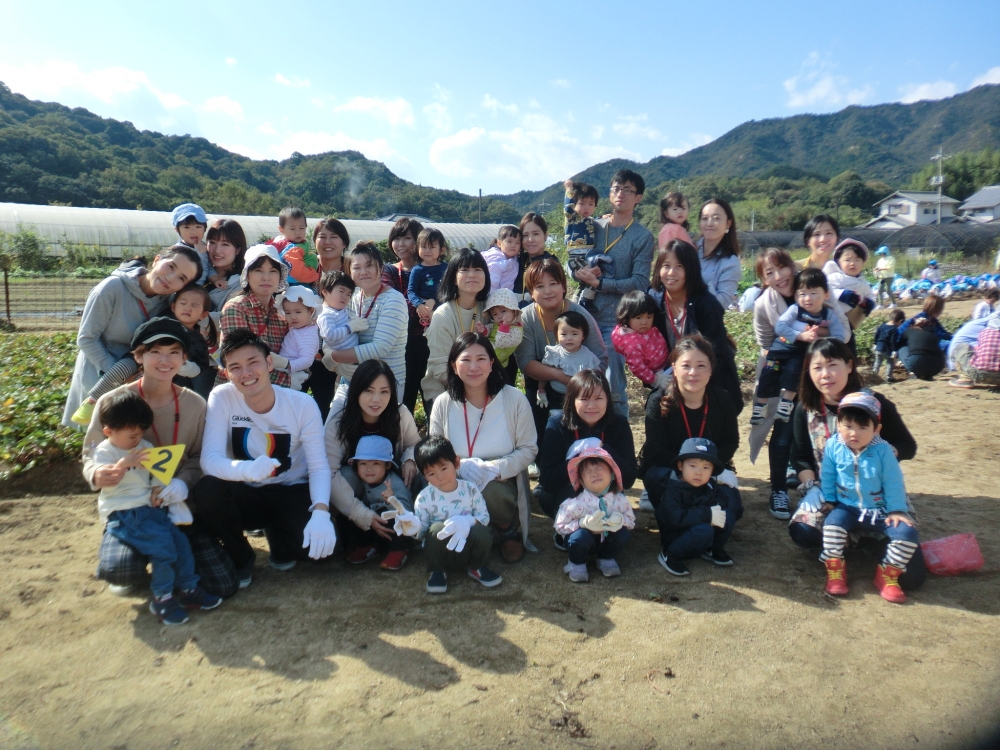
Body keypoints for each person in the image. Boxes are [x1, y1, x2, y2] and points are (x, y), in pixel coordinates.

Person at [83, 316, 238, 600]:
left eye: (173, 353)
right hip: (132, 508)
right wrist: (96, 472)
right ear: (138, 356)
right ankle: (130, 550)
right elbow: (91, 451)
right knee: (120, 572)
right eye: (155, 352)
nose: (164, 360)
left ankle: (172, 560)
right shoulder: (113, 402)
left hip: (179, 506)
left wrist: (180, 483)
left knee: (223, 585)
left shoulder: (195, 404)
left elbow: (202, 455)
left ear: (184, 359)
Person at [191, 329, 335, 589]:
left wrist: (321, 512)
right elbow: (209, 460)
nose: (246, 373)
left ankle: (280, 536)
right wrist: (246, 470)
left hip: (291, 488)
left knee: (322, 554)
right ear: (226, 373)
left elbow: (318, 466)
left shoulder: (301, 404)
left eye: (253, 362)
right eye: (235, 367)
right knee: (207, 489)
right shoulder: (221, 398)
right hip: (247, 492)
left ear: (269, 363)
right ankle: (241, 555)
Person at [788, 338, 925, 592]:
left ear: (849, 366)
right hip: (829, 491)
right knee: (803, 533)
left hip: (878, 496)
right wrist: (811, 488)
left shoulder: (874, 404)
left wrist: (881, 454)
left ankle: (870, 540)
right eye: (816, 368)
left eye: (832, 365)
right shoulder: (804, 408)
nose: (825, 374)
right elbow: (800, 456)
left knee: (912, 579)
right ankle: (846, 543)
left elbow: (908, 446)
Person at [92, 390, 222, 624]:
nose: (138, 439)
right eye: (132, 436)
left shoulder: (143, 445)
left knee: (180, 544)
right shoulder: (105, 450)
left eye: (141, 433)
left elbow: (155, 472)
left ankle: (188, 589)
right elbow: (108, 476)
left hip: (150, 509)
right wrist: (125, 462)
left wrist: (156, 489)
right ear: (109, 432)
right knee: (163, 550)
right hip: (126, 511)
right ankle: (162, 598)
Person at [64, 244, 203, 428]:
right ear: (157, 259)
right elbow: (87, 338)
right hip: (101, 372)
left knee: (130, 437)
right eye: (170, 266)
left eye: (181, 278)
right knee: (99, 438)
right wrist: (117, 375)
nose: (170, 278)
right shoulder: (112, 288)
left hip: (137, 378)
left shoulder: (168, 304)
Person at [428, 333, 538, 563]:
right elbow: (435, 451)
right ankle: (477, 532)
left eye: (481, 359)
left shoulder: (514, 399)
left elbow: (528, 449)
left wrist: (494, 469)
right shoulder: (443, 402)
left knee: (488, 490)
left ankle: (506, 529)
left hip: (500, 481)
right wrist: (460, 468)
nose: (474, 367)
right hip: (455, 480)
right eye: (466, 360)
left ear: (491, 363)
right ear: (453, 365)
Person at [818, 392, 919, 603]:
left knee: (907, 534)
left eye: (863, 428)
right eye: (848, 426)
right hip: (847, 506)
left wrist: (897, 509)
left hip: (880, 510)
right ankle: (835, 571)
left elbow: (893, 482)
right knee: (831, 527)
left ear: (877, 429)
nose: (854, 433)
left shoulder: (883, 451)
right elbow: (828, 474)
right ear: (838, 424)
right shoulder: (833, 446)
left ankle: (888, 575)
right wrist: (829, 499)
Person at [570, 170, 655, 418]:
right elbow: (573, 256)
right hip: (584, 316)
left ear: (638, 197)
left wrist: (600, 283)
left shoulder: (642, 236)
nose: (620, 194)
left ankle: (619, 446)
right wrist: (578, 272)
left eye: (627, 190)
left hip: (615, 322)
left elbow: (640, 282)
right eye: (616, 188)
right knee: (578, 383)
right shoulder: (593, 225)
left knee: (613, 387)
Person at [324, 360, 421, 568]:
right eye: (369, 391)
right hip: (358, 486)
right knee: (347, 476)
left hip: (390, 483)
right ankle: (366, 540)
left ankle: (405, 540)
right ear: (356, 390)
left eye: (384, 392)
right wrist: (361, 514)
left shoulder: (399, 414)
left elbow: (414, 444)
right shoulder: (339, 421)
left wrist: (410, 459)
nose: (376, 399)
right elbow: (327, 470)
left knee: (415, 476)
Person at [640, 336, 741, 512]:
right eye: (686, 366)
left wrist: (707, 470)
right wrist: (687, 471)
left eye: (701, 366)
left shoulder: (723, 400)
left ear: (711, 370)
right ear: (674, 369)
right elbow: (657, 450)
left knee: (733, 509)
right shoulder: (658, 401)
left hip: (709, 469)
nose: (693, 372)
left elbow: (730, 442)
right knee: (670, 500)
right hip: (668, 469)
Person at [515, 258, 608, 444]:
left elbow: (601, 359)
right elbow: (526, 363)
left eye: (553, 283)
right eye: (539, 286)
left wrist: (577, 382)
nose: (547, 291)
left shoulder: (580, 315)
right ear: (531, 292)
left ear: (563, 286)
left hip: (583, 384)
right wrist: (561, 376)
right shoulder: (526, 318)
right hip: (542, 383)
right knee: (545, 438)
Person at [649, 240, 743, 412]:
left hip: (708, 382)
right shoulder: (654, 301)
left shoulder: (706, 304)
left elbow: (716, 353)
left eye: (679, 266)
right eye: (666, 265)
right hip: (673, 381)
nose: (671, 272)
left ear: (691, 270)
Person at [537, 369, 637, 524]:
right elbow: (548, 481)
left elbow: (629, 479)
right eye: (584, 399)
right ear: (572, 400)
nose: (592, 405)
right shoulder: (557, 426)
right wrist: (579, 458)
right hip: (566, 498)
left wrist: (604, 450)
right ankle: (565, 530)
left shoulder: (618, 424)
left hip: (606, 496)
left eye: (598, 398)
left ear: (608, 399)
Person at [751, 268, 850, 425]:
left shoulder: (828, 314)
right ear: (796, 296)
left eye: (813, 293)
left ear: (826, 294)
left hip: (798, 354)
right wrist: (802, 336)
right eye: (802, 294)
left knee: (795, 373)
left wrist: (822, 341)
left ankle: (786, 404)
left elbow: (839, 335)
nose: (807, 298)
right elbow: (780, 327)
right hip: (779, 350)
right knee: (768, 375)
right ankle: (760, 405)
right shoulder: (795, 310)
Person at [746, 247, 799, 519]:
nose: (779, 276)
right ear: (764, 279)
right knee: (783, 428)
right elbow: (765, 343)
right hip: (783, 374)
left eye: (782, 267)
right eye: (770, 273)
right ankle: (778, 490)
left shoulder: (811, 284)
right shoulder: (763, 304)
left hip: (820, 372)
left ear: (792, 265)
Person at [411, 436, 500, 594]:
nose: (440, 477)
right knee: (436, 528)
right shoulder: (424, 498)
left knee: (483, 532)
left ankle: (477, 567)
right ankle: (438, 571)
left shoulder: (470, 489)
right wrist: (411, 526)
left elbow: (484, 517)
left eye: (444, 468)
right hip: (441, 551)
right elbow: (422, 532)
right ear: (424, 476)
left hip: (468, 547)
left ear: (456, 463)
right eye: (431, 473)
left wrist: (468, 521)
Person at [323, 242, 408, 403]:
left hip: (385, 383)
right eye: (356, 267)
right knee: (337, 425)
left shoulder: (393, 299)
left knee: (379, 428)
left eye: (369, 266)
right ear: (349, 271)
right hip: (351, 377)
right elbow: (330, 329)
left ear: (381, 268)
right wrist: (331, 357)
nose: (363, 272)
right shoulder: (351, 296)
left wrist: (334, 357)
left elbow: (380, 348)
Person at [655, 437, 738, 577]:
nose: (699, 472)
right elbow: (675, 518)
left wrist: (717, 509)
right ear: (681, 466)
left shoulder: (710, 485)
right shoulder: (672, 489)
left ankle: (712, 549)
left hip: (703, 528)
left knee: (727, 515)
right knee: (704, 530)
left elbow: (722, 500)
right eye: (693, 466)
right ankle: (670, 554)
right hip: (676, 535)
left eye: (706, 467)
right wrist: (707, 514)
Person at [554, 443, 635, 582]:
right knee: (580, 537)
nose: (595, 473)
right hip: (584, 541)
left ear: (613, 474)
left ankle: (606, 557)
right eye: (587, 471)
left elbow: (631, 521)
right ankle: (577, 563)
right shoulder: (575, 504)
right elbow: (559, 526)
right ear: (581, 481)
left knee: (623, 533)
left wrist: (620, 520)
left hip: (608, 539)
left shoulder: (620, 500)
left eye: (599, 468)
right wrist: (582, 523)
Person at [422, 247, 491, 407]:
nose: (472, 274)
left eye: (478, 269)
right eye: (465, 270)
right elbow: (440, 369)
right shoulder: (443, 315)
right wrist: (471, 391)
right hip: (444, 393)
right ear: (453, 277)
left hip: (481, 390)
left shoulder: (489, 309)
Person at [339, 435, 416, 571]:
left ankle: (399, 550)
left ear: (387, 465)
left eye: (375, 463)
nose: (369, 469)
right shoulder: (362, 481)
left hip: (394, 527)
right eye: (363, 464)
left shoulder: (395, 485)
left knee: (396, 519)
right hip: (375, 525)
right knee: (354, 513)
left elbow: (408, 514)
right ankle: (368, 545)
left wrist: (392, 500)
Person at [218, 244, 290, 387]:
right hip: (238, 392)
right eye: (258, 270)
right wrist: (288, 381)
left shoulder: (282, 311)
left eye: (273, 271)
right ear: (247, 275)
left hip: (276, 395)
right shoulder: (236, 308)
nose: (266, 277)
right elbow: (240, 361)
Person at [306, 217, 353, 417]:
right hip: (305, 343)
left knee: (330, 403)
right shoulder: (306, 267)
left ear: (344, 243)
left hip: (341, 346)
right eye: (321, 237)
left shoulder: (353, 269)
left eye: (334, 237)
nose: (327, 242)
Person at [539, 311, 602, 414]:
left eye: (574, 334)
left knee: (576, 417)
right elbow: (544, 374)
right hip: (556, 394)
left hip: (579, 396)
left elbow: (596, 378)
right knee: (557, 416)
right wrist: (541, 390)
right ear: (557, 336)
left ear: (583, 336)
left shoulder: (588, 356)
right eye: (564, 334)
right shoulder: (554, 353)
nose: (569, 338)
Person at [167, 283, 217, 399]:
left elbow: (202, 363)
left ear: (203, 314)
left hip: (181, 392)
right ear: (173, 306)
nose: (187, 308)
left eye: (195, 305)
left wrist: (189, 368)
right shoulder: (161, 326)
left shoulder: (199, 340)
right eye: (183, 303)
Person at [611, 290, 667, 389]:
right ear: (627, 317)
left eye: (649, 317)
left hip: (667, 361)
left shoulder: (638, 329)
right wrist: (655, 380)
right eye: (638, 318)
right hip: (659, 373)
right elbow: (637, 367)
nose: (644, 322)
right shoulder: (632, 344)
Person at [562, 179, 602, 313]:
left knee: (590, 278)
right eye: (582, 203)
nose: (587, 207)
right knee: (591, 276)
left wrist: (604, 217)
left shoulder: (590, 221)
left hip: (587, 257)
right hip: (576, 257)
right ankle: (585, 300)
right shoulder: (572, 218)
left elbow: (597, 223)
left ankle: (576, 302)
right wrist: (569, 190)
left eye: (591, 204)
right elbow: (567, 209)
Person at [695, 198, 741, 309]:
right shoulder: (689, 249)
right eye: (705, 218)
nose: (709, 223)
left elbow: (721, 304)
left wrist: (697, 282)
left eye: (716, 218)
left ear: (728, 223)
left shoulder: (730, 262)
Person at [275, 286, 322, 391]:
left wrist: (287, 364)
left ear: (311, 311)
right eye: (288, 313)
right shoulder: (301, 328)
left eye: (298, 312)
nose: (293, 317)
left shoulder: (307, 335)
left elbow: (307, 360)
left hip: (291, 373)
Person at [824, 238, 876, 332]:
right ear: (838, 262)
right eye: (847, 260)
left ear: (863, 262)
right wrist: (841, 294)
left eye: (857, 260)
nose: (852, 263)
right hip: (831, 320)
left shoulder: (863, 282)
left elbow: (870, 295)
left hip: (850, 322)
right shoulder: (835, 277)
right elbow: (825, 291)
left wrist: (870, 303)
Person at [897, 295, 951, 380]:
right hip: (919, 352)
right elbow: (942, 334)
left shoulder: (931, 320)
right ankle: (914, 371)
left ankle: (914, 371)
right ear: (937, 309)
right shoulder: (924, 320)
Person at [408, 228, 449, 331]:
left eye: (432, 247)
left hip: (445, 308)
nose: (427, 251)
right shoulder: (417, 270)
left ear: (442, 250)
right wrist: (419, 304)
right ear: (417, 248)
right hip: (426, 308)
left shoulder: (447, 268)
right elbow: (411, 291)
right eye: (423, 246)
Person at [204, 219, 248, 312]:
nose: (217, 250)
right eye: (212, 242)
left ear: (238, 250)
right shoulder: (197, 273)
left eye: (225, 244)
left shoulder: (239, 284)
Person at [512, 213, 557, 305]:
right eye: (525, 235)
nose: (530, 239)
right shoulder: (515, 261)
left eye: (535, 234)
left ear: (545, 236)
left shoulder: (552, 264)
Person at [482, 287, 524, 383]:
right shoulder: (498, 325)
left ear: (514, 311)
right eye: (495, 314)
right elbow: (491, 328)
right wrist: (484, 330)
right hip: (486, 356)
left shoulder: (517, 331)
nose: (499, 316)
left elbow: (501, 342)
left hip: (497, 363)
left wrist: (504, 327)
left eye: (503, 311)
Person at [271, 206, 318, 287]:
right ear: (281, 229)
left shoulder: (282, 244)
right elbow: (297, 271)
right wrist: (314, 276)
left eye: (301, 228)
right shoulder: (293, 248)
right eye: (292, 229)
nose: (298, 232)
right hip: (296, 284)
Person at [949, 315, 1000, 388]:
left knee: (962, 346)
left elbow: (978, 350)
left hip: (979, 374)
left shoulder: (985, 332)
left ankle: (965, 378)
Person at [171, 203, 211, 286]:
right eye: (186, 227)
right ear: (177, 230)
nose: (193, 231)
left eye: (198, 227)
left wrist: (214, 277)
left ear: (205, 228)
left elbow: (209, 266)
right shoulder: (178, 251)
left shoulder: (205, 246)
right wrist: (202, 254)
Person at [483, 225, 522, 292]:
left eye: (517, 243)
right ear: (499, 243)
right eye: (509, 241)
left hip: (507, 297)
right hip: (495, 297)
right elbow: (491, 283)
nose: (513, 245)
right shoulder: (496, 259)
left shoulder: (516, 259)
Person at [873, 309, 906, 381]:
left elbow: (876, 335)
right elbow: (892, 341)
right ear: (900, 321)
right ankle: (888, 377)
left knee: (877, 362)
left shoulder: (881, 326)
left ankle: (873, 375)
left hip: (878, 348)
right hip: (887, 349)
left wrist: (875, 344)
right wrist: (894, 350)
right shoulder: (894, 330)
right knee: (890, 362)